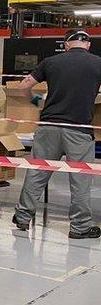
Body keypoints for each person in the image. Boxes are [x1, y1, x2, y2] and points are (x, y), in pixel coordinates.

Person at [13, 29, 101, 239]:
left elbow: (24, 86)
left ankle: (23, 217)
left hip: (48, 127)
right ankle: (79, 228)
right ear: (87, 45)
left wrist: (38, 102)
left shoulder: (51, 62)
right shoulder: (98, 62)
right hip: (79, 130)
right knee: (80, 180)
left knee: (36, 173)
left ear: (66, 44)